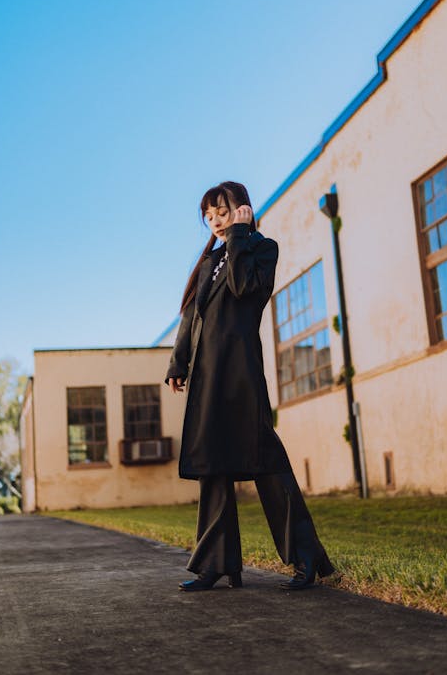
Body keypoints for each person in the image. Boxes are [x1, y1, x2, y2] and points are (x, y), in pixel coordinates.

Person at [165, 181, 335, 591]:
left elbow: (245, 290)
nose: (215, 222)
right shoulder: (209, 263)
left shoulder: (262, 249)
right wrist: (178, 361)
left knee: (266, 460)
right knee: (212, 465)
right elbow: (192, 316)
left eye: (221, 212)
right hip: (207, 376)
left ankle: (306, 558)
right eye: (208, 217)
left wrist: (240, 236)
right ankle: (218, 564)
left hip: (240, 373)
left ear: (242, 209)